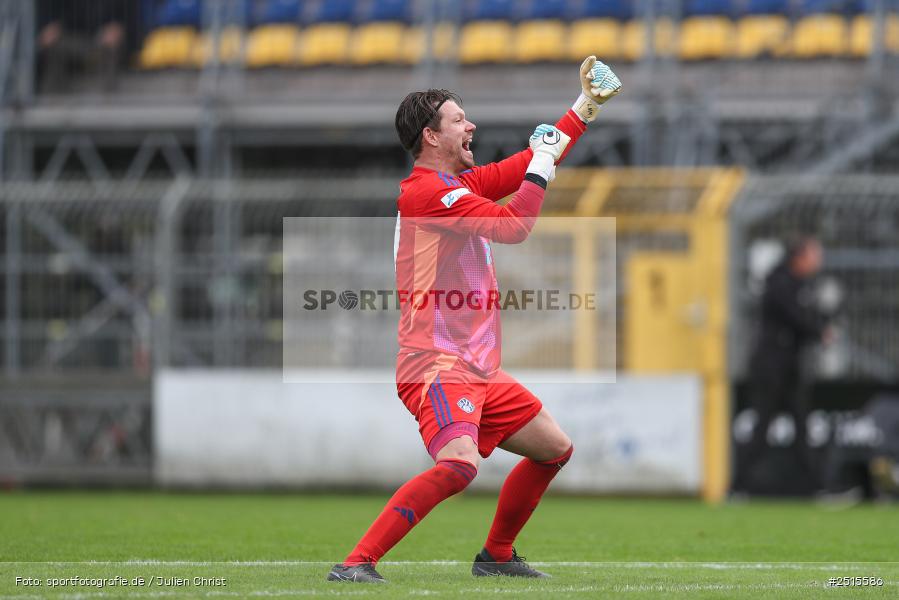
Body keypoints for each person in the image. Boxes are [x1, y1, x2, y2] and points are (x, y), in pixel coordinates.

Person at [327, 57, 621, 583]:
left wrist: (584, 108)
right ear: (430, 136)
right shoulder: (429, 192)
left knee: (553, 449)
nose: (471, 127)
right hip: (435, 362)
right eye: (460, 119)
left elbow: (534, 160)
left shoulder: (452, 186)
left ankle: (497, 557)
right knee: (460, 464)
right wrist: (539, 168)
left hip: (474, 366)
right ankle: (356, 563)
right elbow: (515, 226)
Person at [735, 236, 832, 493]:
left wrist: (821, 325)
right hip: (771, 368)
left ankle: (821, 487)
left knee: (801, 428)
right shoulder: (779, 283)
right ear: (799, 257)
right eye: (814, 255)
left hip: (790, 368)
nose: (818, 261)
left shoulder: (802, 285)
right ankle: (735, 487)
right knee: (763, 427)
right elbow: (796, 317)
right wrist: (819, 330)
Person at [36, 0, 137, 93]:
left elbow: (131, 16)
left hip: (107, 39)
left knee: (110, 48)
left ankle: (109, 98)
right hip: (74, 35)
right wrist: (54, 26)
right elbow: (56, 12)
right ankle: (53, 99)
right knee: (55, 48)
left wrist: (119, 27)